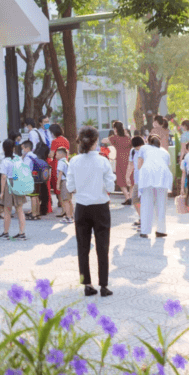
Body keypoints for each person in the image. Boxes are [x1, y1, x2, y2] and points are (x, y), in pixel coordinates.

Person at [66, 126, 115, 297]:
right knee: (102, 247)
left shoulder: (74, 161)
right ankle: (104, 286)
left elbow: (70, 187)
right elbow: (110, 186)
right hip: (100, 206)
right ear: (95, 141)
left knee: (82, 247)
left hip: (81, 207)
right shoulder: (103, 161)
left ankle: (87, 284)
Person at [136, 136, 172, 238]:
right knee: (161, 204)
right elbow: (166, 164)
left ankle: (144, 231)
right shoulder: (165, 152)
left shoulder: (144, 148)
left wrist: (140, 177)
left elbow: (139, 165)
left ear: (148, 141)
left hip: (148, 174)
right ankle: (161, 230)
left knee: (146, 203)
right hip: (163, 175)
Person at [0, 139, 29, 240]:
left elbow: (3, 177)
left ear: (4, 149)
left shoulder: (5, 161)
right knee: (20, 209)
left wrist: (1, 192)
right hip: (18, 183)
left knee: (7, 210)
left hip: (9, 184)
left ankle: (5, 232)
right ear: (13, 148)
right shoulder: (18, 159)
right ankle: (22, 233)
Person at [103, 122, 133, 204]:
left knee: (121, 180)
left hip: (120, 161)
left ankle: (127, 198)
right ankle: (130, 197)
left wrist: (112, 137)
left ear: (115, 129)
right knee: (131, 179)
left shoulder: (115, 138)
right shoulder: (128, 138)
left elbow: (103, 140)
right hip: (129, 160)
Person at [48, 123, 70, 212]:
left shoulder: (55, 141)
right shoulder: (66, 140)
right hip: (65, 163)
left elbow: (51, 154)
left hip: (56, 164)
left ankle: (63, 208)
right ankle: (64, 206)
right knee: (63, 184)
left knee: (58, 186)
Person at [128, 135, 145, 227]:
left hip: (146, 180)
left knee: (144, 201)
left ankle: (144, 220)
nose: (138, 149)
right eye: (136, 148)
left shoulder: (147, 150)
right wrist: (127, 176)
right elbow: (131, 164)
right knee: (135, 200)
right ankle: (142, 218)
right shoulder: (133, 151)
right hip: (137, 180)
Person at [55, 146, 73, 224]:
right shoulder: (66, 161)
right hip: (68, 182)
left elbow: (60, 173)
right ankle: (71, 215)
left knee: (65, 200)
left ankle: (68, 217)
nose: (55, 156)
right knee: (69, 200)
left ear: (61, 154)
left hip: (64, 182)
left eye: (56, 154)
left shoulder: (61, 162)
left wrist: (58, 184)